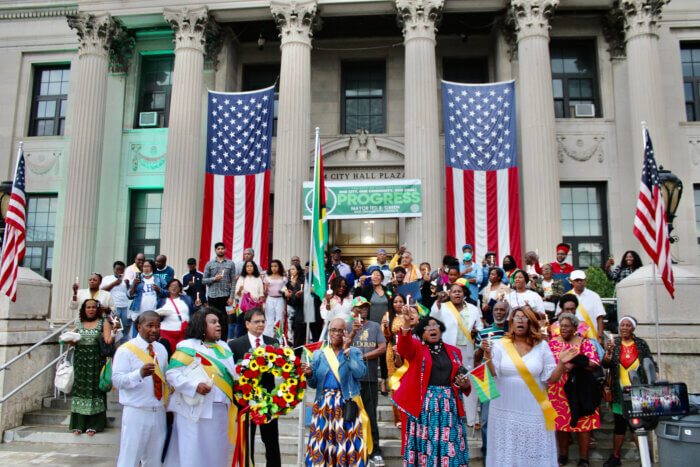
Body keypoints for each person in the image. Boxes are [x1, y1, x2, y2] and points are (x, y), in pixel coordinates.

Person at [481, 305, 577, 467]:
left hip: (534, 408)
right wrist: (487, 355)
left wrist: (561, 362)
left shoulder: (542, 346)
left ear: (530, 322)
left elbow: (551, 378)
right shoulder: (499, 345)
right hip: (505, 408)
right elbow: (493, 373)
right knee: (507, 449)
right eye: (516, 318)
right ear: (511, 323)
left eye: (524, 318)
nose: (520, 321)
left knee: (532, 450)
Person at [393, 314, 472, 466]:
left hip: (449, 407)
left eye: (435, 326)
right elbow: (403, 348)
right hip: (425, 407)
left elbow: (460, 379)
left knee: (449, 445)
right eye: (427, 327)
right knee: (428, 444)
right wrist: (406, 324)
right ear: (422, 334)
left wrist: (464, 383)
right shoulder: (417, 349)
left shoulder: (455, 351)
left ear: (441, 330)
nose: (432, 329)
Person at [165, 308, 236, 467]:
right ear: (201, 325)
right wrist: (195, 386)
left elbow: (232, 377)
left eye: (219, 322)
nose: (218, 325)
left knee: (217, 453)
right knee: (192, 452)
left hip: (219, 410)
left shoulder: (224, 347)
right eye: (213, 322)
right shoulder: (187, 346)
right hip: (193, 410)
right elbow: (172, 374)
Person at [302, 317, 370, 466]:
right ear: (328, 331)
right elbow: (313, 384)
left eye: (341, 330)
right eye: (333, 330)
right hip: (323, 405)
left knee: (347, 444)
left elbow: (360, 373)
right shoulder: (319, 354)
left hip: (346, 405)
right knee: (322, 445)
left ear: (346, 332)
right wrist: (309, 374)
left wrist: (347, 351)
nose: (337, 333)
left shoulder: (354, 352)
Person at [113, 311, 168, 467]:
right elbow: (117, 380)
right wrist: (139, 374)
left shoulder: (161, 349)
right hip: (136, 411)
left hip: (158, 411)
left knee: (154, 459)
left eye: (157, 326)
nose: (154, 330)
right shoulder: (126, 350)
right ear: (139, 327)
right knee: (129, 457)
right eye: (149, 326)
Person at [228, 308, 281, 467]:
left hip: (267, 401)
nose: (260, 324)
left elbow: (280, 369)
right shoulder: (236, 345)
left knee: (271, 441)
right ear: (247, 324)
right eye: (256, 322)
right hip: (245, 402)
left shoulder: (272, 342)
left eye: (263, 321)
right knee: (246, 441)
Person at [602, 316, 656, 467]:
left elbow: (649, 362)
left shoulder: (640, 344)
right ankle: (616, 456)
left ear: (633, 328)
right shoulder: (614, 343)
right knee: (619, 425)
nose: (624, 328)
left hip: (637, 391)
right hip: (619, 391)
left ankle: (645, 458)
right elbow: (605, 364)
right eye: (622, 325)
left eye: (628, 325)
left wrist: (655, 375)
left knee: (637, 425)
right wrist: (607, 354)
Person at [548, 312, 601, 467]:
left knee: (584, 425)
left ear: (574, 328)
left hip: (581, 389)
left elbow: (594, 363)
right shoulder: (552, 344)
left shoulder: (584, 342)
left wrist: (576, 363)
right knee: (560, 424)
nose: (563, 329)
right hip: (558, 390)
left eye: (567, 326)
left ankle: (584, 459)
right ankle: (563, 455)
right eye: (561, 326)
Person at [430, 282, 483, 426]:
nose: (457, 294)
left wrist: (476, 332)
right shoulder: (444, 307)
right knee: (449, 381)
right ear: (450, 294)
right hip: (448, 350)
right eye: (454, 292)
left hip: (467, 349)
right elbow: (433, 318)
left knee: (468, 381)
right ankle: (449, 416)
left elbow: (479, 326)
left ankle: (472, 419)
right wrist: (439, 302)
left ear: (464, 293)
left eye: (460, 291)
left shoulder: (472, 308)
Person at [68, 299, 117, 435]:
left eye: (93, 307)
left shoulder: (103, 322)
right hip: (80, 361)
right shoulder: (78, 322)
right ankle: (78, 424)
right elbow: (73, 341)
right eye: (88, 307)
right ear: (84, 309)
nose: (91, 310)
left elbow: (107, 340)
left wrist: (114, 331)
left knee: (95, 390)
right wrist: (68, 340)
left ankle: (95, 425)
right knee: (80, 390)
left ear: (97, 309)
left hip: (96, 361)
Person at [347, 297, 387, 466]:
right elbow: (342, 346)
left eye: (365, 307)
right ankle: (353, 447)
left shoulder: (375, 326)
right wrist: (353, 333)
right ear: (353, 310)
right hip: (351, 379)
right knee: (351, 414)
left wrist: (362, 357)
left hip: (369, 377)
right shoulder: (348, 326)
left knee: (370, 414)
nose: (363, 310)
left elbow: (382, 347)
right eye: (359, 307)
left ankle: (374, 450)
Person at [473, 301, 509, 457]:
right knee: (486, 418)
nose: (499, 312)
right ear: (492, 312)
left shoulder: (512, 333)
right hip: (485, 375)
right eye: (496, 310)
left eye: (502, 310)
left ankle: (505, 449)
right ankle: (488, 450)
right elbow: (476, 358)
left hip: (506, 377)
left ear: (507, 312)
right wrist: (481, 349)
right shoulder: (483, 333)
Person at [381, 294, 419, 427]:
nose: (398, 304)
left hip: (408, 350)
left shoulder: (410, 315)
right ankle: (397, 418)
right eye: (396, 302)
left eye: (401, 301)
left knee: (408, 382)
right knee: (394, 384)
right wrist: (385, 327)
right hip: (393, 350)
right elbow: (386, 337)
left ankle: (409, 413)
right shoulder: (388, 317)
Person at [556, 270, 606, 344]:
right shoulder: (565, 297)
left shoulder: (594, 296)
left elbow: (600, 318)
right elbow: (559, 317)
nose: (579, 282)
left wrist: (601, 337)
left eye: (581, 280)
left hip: (591, 338)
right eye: (577, 280)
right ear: (571, 281)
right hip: (569, 340)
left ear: (585, 281)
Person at [128, 259, 168, 336]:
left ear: (152, 267)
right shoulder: (138, 279)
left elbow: (167, 293)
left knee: (151, 333)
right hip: (138, 312)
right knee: (136, 335)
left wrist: (159, 290)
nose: (146, 269)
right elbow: (129, 295)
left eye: (148, 266)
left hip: (154, 311)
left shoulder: (158, 279)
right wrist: (134, 285)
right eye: (144, 267)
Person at [156, 279, 192, 351]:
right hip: (166, 332)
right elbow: (157, 317)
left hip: (183, 332)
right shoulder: (162, 301)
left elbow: (194, 312)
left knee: (181, 354)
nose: (174, 288)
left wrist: (198, 306)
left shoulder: (187, 299)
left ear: (180, 288)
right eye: (171, 286)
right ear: (168, 288)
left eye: (176, 286)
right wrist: (161, 317)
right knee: (168, 354)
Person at [202, 242, 237, 315]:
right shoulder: (209, 264)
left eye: (222, 249)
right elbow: (203, 280)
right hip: (212, 296)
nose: (220, 250)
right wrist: (214, 279)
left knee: (226, 319)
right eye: (218, 249)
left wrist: (231, 297)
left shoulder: (231, 263)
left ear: (225, 250)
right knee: (212, 317)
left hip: (226, 296)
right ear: (215, 250)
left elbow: (233, 281)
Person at [101, 261, 131, 343]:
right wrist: (114, 283)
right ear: (114, 269)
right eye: (117, 269)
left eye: (121, 270)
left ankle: (123, 345)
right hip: (114, 307)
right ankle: (113, 345)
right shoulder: (108, 278)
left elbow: (130, 294)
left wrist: (128, 285)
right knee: (115, 328)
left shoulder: (126, 279)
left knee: (125, 328)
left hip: (125, 306)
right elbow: (102, 290)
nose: (119, 272)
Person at [235, 260, 266, 337]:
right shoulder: (242, 278)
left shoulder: (258, 278)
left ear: (254, 267)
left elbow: (261, 293)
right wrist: (240, 290)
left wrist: (262, 305)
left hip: (254, 306)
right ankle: (240, 343)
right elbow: (237, 294)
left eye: (251, 266)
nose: (249, 268)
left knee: (253, 325)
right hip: (243, 306)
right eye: (247, 266)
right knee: (241, 325)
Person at [263, 259, 288, 338]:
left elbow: (285, 294)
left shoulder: (283, 278)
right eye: (272, 266)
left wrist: (285, 307)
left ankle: (279, 339)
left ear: (279, 267)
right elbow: (265, 293)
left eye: (275, 266)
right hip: (270, 299)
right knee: (269, 320)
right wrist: (266, 287)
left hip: (280, 299)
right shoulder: (267, 278)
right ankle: (268, 339)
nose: (273, 268)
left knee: (279, 320)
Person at [285, 263, 306, 348]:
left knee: (298, 327)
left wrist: (294, 291)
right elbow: (285, 290)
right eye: (290, 269)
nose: (291, 271)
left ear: (298, 270)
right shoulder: (288, 280)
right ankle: (290, 341)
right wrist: (286, 292)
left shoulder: (301, 280)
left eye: (293, 269)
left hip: (299, 307)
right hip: (290, 305)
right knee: (290, 324)